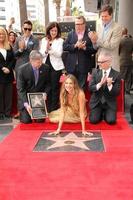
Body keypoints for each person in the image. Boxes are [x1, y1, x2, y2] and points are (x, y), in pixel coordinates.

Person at [17, 50, 51, 124]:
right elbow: (20, 89)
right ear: (31, 61)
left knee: (40, 121)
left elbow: (48, 84)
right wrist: (26, 104)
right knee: (26, 121)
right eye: (38, 62)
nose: (40, 64)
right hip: (26, 99)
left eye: (41, 62)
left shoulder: (46, 68)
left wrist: (45, 93)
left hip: (39, 99)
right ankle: (24, 112)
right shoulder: (22, 69)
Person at [63, 16, 97, 90]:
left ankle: (80, 101)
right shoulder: (70, 34)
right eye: (76, 24)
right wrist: (75, 45)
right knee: (70, 89)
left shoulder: (89, 35)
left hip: (83, 67)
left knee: (81, 89)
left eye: (80, 24)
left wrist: (84, 48)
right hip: (71, 67)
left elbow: (94, 50)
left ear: (84, 24)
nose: (78, 26)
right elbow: (65, 46)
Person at [89, 52, 121, 124]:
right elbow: (90, 88)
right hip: (97, 102)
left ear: (109, 62)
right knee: (94, 121)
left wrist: (110, 85)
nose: (99, 64)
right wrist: (100, 84)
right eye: (98, 61)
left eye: (101, 62)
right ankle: (100, 114)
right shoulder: (95, 72)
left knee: (111, 121)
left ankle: (106, 114)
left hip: (109, 103)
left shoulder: (117, 74)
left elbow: (117, 92)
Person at [40, 22, 64, 112]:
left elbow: (59, 54)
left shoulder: (60, 41)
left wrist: (50, 50)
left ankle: (54, 108)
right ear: (48, 30)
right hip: (45, 65)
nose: (53, 32)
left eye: (55, 30)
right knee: (47, 87)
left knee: (54, 87)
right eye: (52, 30)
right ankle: (47, 108)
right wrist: (46, 50)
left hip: (56, 67)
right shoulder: (44, 40)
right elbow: (41, 54)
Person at [89, 5, 122, 72]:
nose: (103, 18)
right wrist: (93, 41)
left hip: (111, 64)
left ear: (111, 15)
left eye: (106, 16)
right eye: (102, 16)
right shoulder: (100, 27)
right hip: (100, 64)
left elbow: (112, 45)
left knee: (111, 82)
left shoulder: (117, 28)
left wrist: (97, 39)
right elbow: (96, 47)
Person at [0, 26, 16, 120]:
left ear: (5, 35)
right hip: (0, 73)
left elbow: (12, 59)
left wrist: (9, 68)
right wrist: (2, 68)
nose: (1, 35)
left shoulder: (9, 46)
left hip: (8, 74)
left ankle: (7, 112)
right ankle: (1, 113)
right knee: (0, 94)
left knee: (8, 94)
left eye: (2, 33)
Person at [119, 28, 133, 94]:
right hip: (130, 60)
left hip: (122, 60)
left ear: (122, 32)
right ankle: (128, 90)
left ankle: (122, 90)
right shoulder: (131, 40)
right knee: (128, 76)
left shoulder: (120, 40)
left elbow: (118, 51)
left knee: (122, 76)